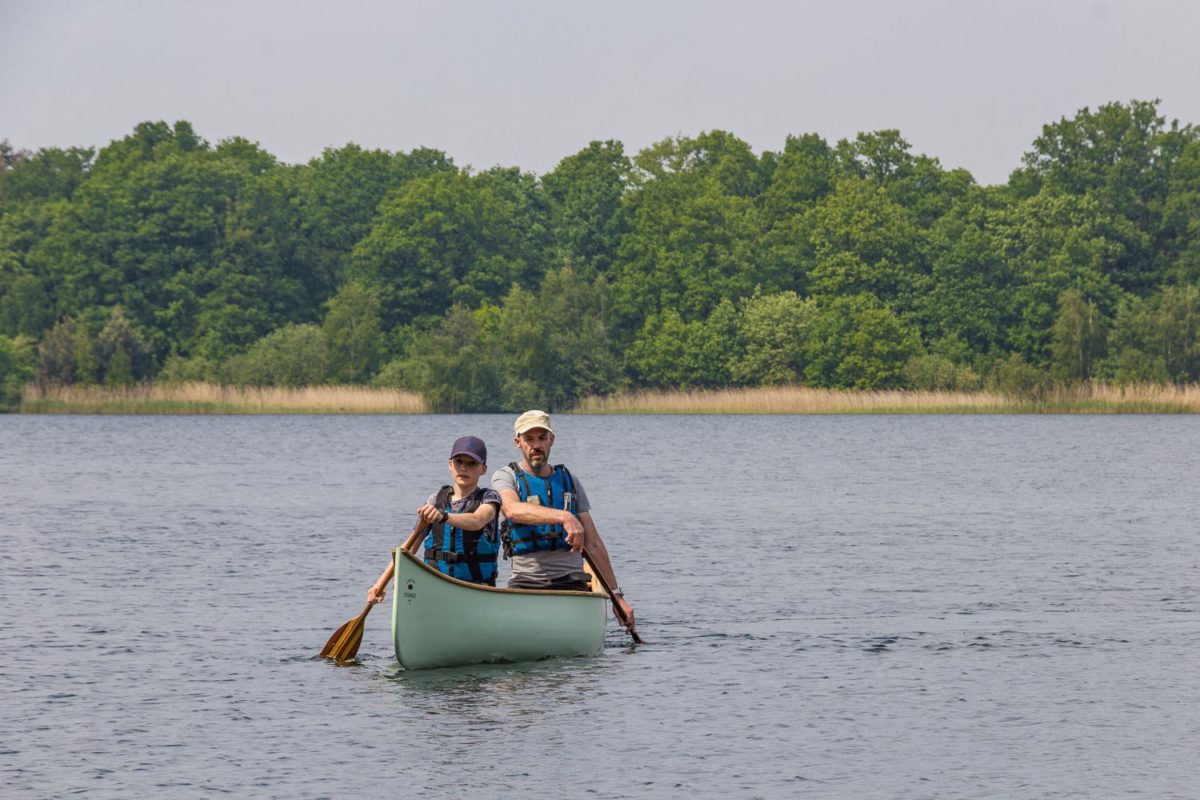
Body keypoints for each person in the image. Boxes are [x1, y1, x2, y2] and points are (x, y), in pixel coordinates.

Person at [491, 410, 636, 632]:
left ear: (552, 440)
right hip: (526, 582)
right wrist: (564, 516)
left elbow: (594, 544)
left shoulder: (570, 482)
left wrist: (617, 597)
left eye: (542, 438)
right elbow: (511, 510)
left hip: (572, 582)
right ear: (517, 442)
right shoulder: (506, 477)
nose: (535, 445)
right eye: (529, 439)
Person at [367, 435, 502, 604]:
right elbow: (408, 548)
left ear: (483, 469)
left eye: (471, 463)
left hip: (476, 588)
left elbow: (478, 520)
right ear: (450, 465)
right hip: (436, 586)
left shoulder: (490, 498)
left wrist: (444, 516)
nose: (464, 468)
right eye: (459, 461)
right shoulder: (434, 500)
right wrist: (380, 585)